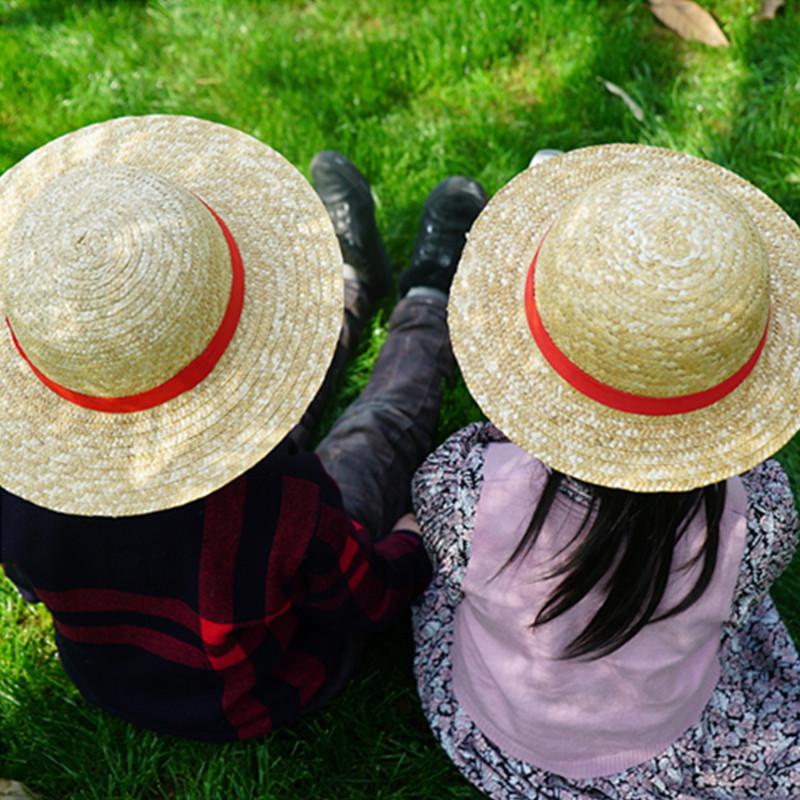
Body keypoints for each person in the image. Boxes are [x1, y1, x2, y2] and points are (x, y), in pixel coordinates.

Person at [0, 114, 486, 740]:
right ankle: (425, 300)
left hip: (118, 682)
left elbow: (38, 588)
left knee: (308, 410)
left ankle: (355, 284)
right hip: (256, 686)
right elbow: (364, 600)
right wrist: (414, 544)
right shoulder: (281, 502)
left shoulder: (20, 481)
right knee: (374, 430)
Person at [409, 144, 800, 798]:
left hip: (496, 733)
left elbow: (444, 552)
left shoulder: (467, 486)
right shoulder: (759, 520)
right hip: (655, 741)